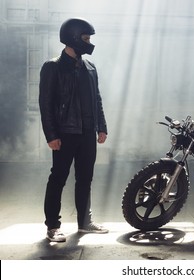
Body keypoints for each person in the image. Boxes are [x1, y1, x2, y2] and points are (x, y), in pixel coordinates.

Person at [39, 18, 108, 242]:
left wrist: (102, 127)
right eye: (86, 39)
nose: (89, 43)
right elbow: (46, 103)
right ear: (73, 38)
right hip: (65, 133)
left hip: (88, 132)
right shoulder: (52, 67)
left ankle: (84, 223)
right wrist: (51, 135)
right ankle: (52, 226)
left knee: (85, 179)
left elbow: (97, 99)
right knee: (58, 178)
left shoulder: (90, 67)